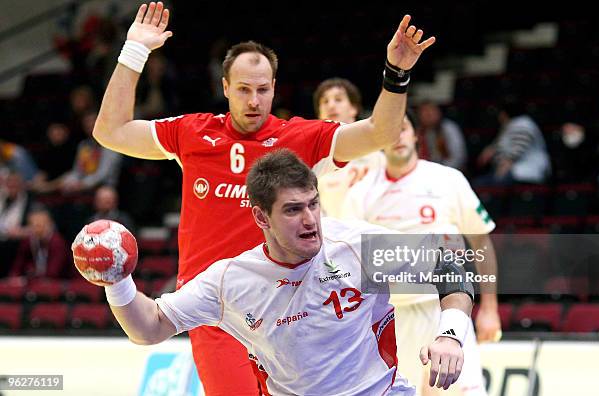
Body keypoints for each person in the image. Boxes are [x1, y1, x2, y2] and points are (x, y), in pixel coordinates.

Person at [91, 2, 436, 394]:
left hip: (293, 307)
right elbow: (111, 131)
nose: (253, 101)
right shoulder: (192, 133)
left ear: (275, 87)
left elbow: (380, 133)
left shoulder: (301, 137)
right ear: (224, 88)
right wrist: (134, 50)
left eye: (262, 89)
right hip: (218, 309)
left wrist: (397, 74)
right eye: (242, 90)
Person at [86, 149, 474, 395]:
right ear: (260, 216)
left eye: (313, 205)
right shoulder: (233, 280)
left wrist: (451, 334)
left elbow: (453, 264)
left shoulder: (356, 245)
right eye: (292, 210)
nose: (310, 221)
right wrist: (117, 282)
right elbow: (149, 327)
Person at [342, 114, 500, 396]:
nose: (398, 137)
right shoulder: (359, 194)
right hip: (390, 316)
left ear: (415, 135)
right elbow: (349, 261)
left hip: (446, 308)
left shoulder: (448, 179)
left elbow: (481, 241)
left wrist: (489, 308)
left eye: (403, 129)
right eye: (391, 131)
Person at [313, 78, 386, 217]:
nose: (331, 106)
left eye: (338, 99)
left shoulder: (377, 158)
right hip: (332, 236)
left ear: (353, 109)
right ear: (319, 115)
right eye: (325, 102)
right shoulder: (314, 163)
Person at [475, 97, 550, 186]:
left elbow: (518, 148)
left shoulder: (522, 124)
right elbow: (501, 145)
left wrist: (506, 164)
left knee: (480, 185)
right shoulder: (510, 125)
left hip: (524, 171)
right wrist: (491, 149)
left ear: (504, 113)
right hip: (512, 170)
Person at [10, 206, 71, 279]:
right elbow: (16, 269)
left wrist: (31, 274)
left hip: (64, 285)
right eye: (34, 225)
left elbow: (52, 274)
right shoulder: (28, 242)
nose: (38, 230)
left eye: (42, 225)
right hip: (37, 284)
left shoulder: (57, 243)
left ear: (51, 225)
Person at [416, 101, 467, 170]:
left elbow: (458, 156)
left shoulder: (449, 128)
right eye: (424, 111)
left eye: (431, 110)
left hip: (449, 169)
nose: (428, 114)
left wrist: (441, 171)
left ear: (438, 112)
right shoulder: (417, 132)